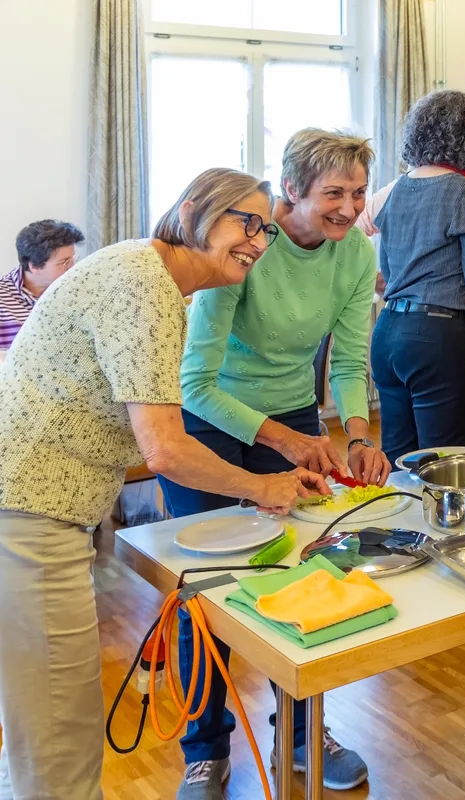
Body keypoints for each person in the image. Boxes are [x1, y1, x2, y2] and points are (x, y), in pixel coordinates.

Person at [0, 168, 328, 800]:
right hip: (29, 517)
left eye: (266, 227)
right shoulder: (142, 283)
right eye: (243, 221)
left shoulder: (151, 280)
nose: (258, 241)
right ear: (193, 212)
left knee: (38, 741)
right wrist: (267, 486)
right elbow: (166, 450)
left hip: (37, 513)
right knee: (59, 751)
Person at [158, 130, 388, 799]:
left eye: (358, 192)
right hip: (211, 416)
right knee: (208, 584)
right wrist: (288, 443)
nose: (350, 207)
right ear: (293, 190)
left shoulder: (354, 255)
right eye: (334, 194)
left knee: (301, 571)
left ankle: (301, 730)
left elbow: (347, 363)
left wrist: (355, 434)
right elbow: (196, 384)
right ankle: (205, 747)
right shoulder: (248, 243)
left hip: (288, 414)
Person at [360, 90, 465, 464]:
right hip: (441, 340)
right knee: (450, 465)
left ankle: (402, 524)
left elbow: (384, 264)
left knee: (402, 464)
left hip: (388, 335)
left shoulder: (396, 190)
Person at [0, 219, 85, 360]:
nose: (72, 267)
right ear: (34, 266)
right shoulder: (3, 298)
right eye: (63, 262)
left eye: (72, 259)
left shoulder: (76, 291)